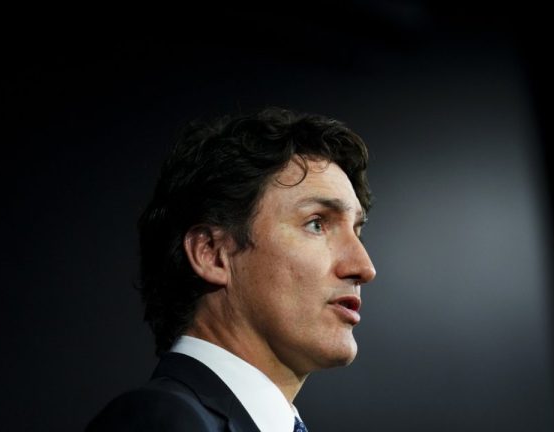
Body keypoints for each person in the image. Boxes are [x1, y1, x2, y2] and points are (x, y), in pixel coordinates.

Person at [87, 107, 377, 431]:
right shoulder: (161, 420)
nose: (364, 267)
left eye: (358, 231)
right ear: (212, 254)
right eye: (316, 224)